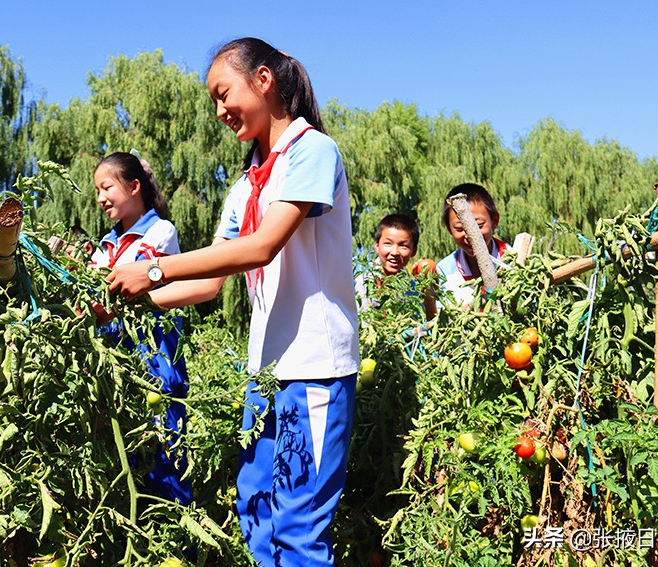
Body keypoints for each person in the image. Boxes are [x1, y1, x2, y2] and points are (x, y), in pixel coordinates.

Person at [105, 37, 359, 567]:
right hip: (264, 376)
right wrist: (130, 300)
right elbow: (208, 282)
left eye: (225, 95)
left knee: (298, 524)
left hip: (313, 368)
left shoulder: (312, 151)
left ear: (263, 80)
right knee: (256, 511)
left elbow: (261, 246)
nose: (221, 112)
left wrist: (151, 270)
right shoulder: (246, 185)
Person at [89, 151, 192, 506]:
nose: (101, 198)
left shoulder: (160, 231)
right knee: (127, 449)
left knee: (165, 444)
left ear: (134, 187)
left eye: (107, 188)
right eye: (97, 191)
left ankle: (179, 538)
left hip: (155, 355)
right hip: (118, 360)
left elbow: (138, 283)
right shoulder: (106, 245)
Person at [436, 182, 510, 306]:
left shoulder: (516, 260)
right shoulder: (444, 271)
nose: (470, 235)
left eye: (478, 226)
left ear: (495, 221)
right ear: (449, 229)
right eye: (459, 228)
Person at [354, 213, 419, 311]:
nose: (394, 252)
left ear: (413, 251)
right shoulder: (358, 278)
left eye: (403, 246)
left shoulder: (413, 289)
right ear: (377, 245)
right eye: (388, 244)